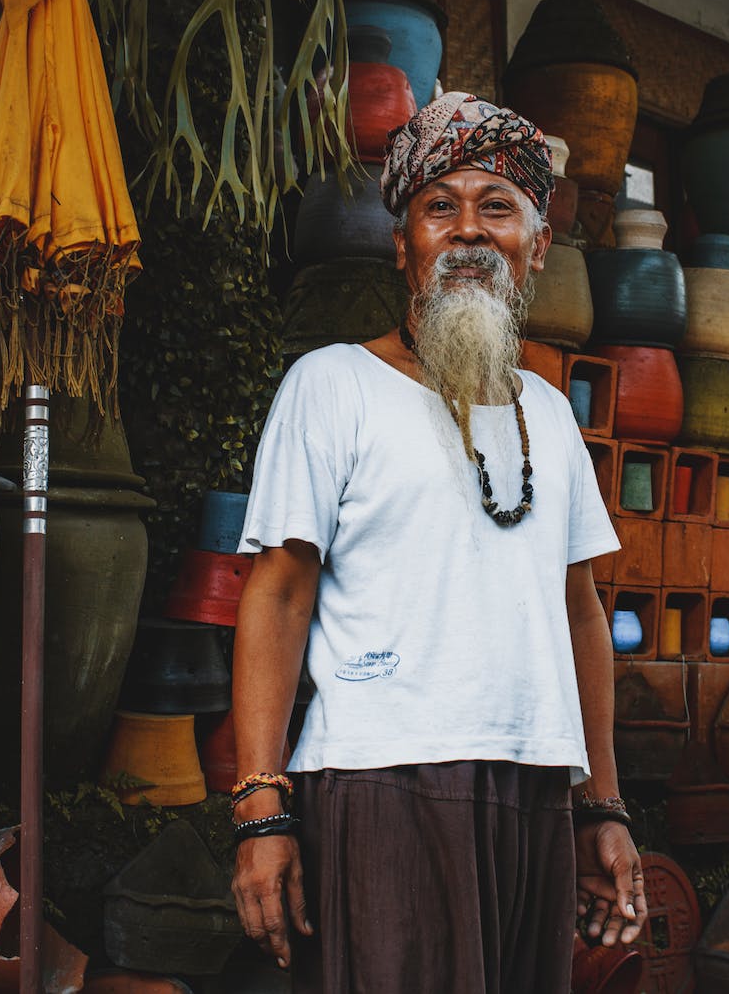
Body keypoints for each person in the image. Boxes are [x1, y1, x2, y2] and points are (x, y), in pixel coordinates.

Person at [229, 91, 645, 992]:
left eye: (497, 206)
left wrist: (599, 804)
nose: (467, 229)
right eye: (439, 206)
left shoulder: (549, 414)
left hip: (533, 788)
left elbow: (579, 615)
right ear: (403, 243)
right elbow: (278, 593)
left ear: (535, 247)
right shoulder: (331, 384)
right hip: (382, 781)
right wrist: (261, 807)